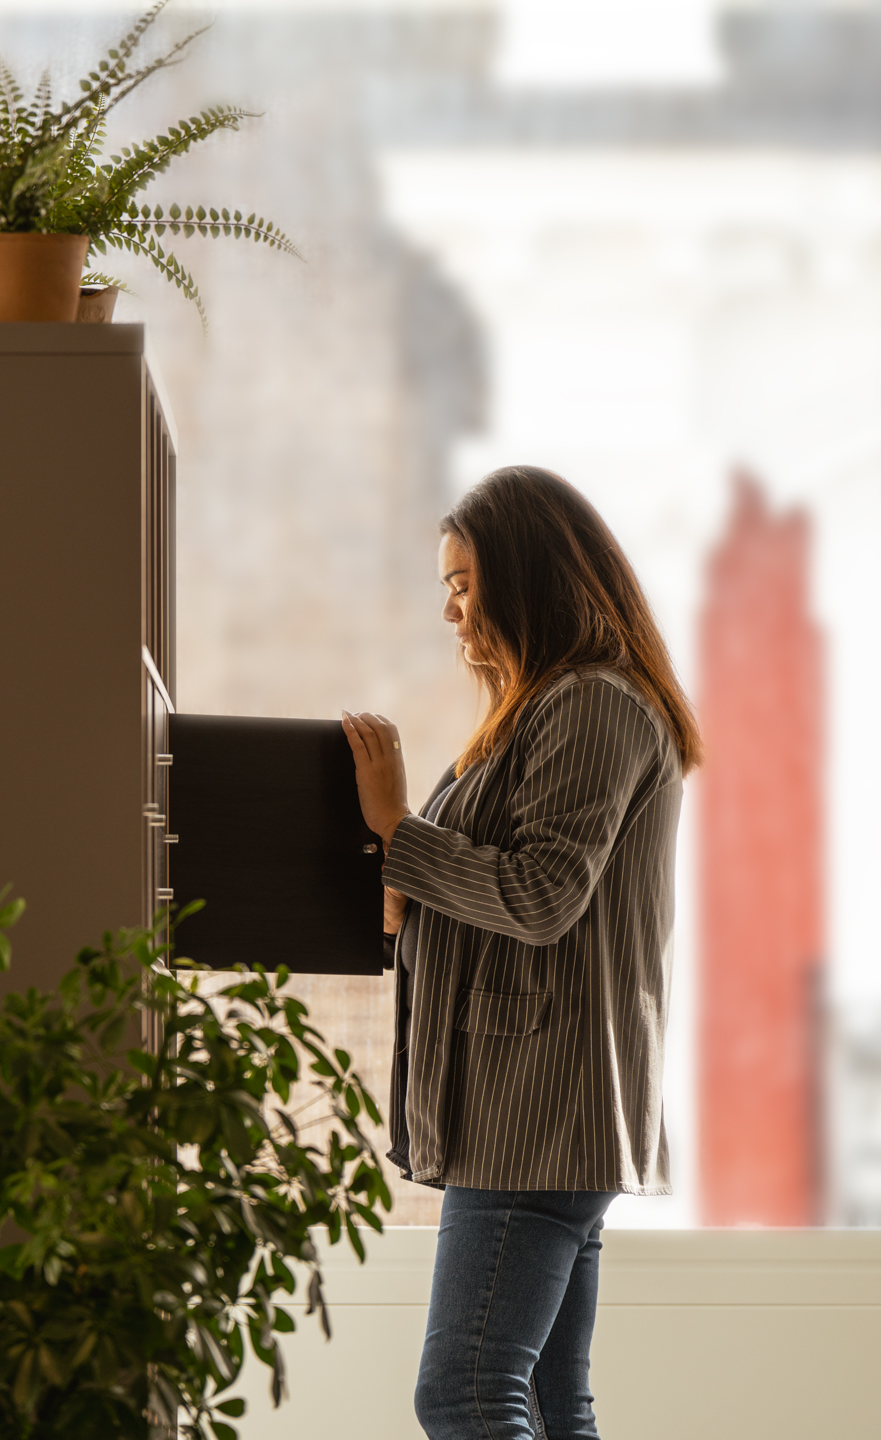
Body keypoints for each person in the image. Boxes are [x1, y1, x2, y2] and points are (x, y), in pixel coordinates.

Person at [340, 465, 701, 1440]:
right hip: (541, 1115)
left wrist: (396, 830)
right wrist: (406, 895)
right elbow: (516, 892)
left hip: (535, 1114)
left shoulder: (592, 706)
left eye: (464, 582)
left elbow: (542, 895)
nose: (452, 610)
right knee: (545, 1399)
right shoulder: (553, 708)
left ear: (526, 574)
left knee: (463, 1393)